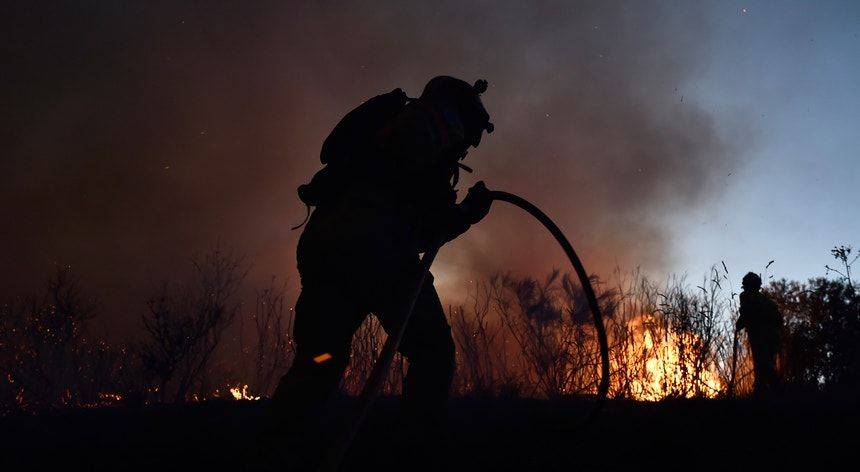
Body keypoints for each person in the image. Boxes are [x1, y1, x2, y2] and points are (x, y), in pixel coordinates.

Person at [271, 76, 495, 438]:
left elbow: (404, 208)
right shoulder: (427, 133)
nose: (466, 147)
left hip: (326, 249)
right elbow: (429, 226)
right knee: (432, 353)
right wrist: (468, 212)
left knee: (319, 360)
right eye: (470, 136)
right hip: (377, 255)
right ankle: (411, 449)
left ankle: (277, 447)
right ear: (459, 118)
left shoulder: (392, 127)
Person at [736, 271, 783, 396]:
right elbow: (779, 321)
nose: (744, 288)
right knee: (766, 364)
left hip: (760, 336)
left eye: (745, 285)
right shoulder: (768, 301)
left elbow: (746, 312)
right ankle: (763, 393)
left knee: (763, 364)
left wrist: (739, 324)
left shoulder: (746, 296)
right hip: (773, 337)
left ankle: (775, 390)